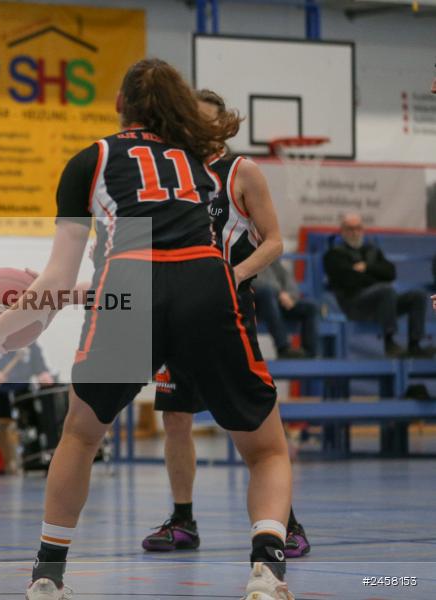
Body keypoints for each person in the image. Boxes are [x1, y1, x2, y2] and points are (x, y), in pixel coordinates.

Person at [0, 58, 295, 600]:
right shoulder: (199, 161)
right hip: (206, 283)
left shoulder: (91, 159)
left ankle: (48, 575)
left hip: (129, 283)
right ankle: (266, 570)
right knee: (267, 450)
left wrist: (1, 326)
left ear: (119, 104)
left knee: (80, 435)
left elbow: (60, 276)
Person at [142, 90, 309, 562]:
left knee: (247, 421)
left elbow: (273, 242)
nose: (195, 127)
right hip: (176, 311)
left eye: (205, 120)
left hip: (228, 310)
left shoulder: (241, 171)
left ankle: (285, 523)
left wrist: (232, 275)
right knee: (175, 416)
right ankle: (182, 519)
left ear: (223, 125)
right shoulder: (172, 176)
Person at [324, 213, 432, 357]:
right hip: (355, 304)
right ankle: (389, 342)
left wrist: (367, 268)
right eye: (350, 229)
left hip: (383, 303)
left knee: (418, 296)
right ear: (342, 231)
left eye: (358, 228)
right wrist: (377, 278)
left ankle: (415, 345)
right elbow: (349, 281)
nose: (355, 232)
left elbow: (390, 272)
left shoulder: (372, 250)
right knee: (386, 290)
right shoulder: (334, 255)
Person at [0, 342, 54, 474]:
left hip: (22, 390)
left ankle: (39, 450)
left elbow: (40, 368)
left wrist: (44, 374)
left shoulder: (30, 344)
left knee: (46, 395)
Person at [253, 259, 319, 359]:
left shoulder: (272, 261)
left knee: (311, 307)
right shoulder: (244, 256)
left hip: (279, 302)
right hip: (258, 304)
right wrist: (279, 293)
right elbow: (252, 281)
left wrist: (290, 296)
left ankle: (309, 353)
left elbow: (289, 280)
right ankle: (283, 348)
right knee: (267, 293)